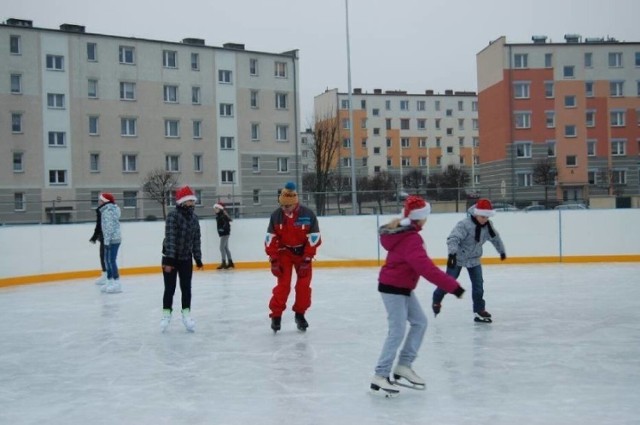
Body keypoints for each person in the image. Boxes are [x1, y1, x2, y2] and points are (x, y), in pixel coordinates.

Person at [371, 195, 465, 397]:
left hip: (401, 287)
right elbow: (426, 269)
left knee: (420, 322)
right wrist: (453, 286)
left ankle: (403, 365)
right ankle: (380, 374)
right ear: (419, 218)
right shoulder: (411, 239)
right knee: (397, 330)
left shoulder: (407, 234)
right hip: (393, 287)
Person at [432, 198, 507, 323]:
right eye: (482, 216)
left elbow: (496, 238)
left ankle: (479, 310)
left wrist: (501, 251)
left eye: (486, 217)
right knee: (449, 282)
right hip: (457, 258)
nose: (484, 219)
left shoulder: (488, 226)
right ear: (476, 213)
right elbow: (453, 238)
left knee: (478, 286)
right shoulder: (464, 224)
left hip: (474, 259)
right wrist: (452, 255)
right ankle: (437, 297)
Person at [265, 182, 321, 333]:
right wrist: (274, 259)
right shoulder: (276, 216)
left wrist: (308, 258)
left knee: (303, 286)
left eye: (287, 206)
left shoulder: (308, 215)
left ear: (295, 203)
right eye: (282, 206)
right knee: (283, 286)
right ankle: (276, 316)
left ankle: (300, 314)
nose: (284, 209)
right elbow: (271, 239)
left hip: (303, 254)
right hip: (285, 253)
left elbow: (314, 238)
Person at [160, 185, 203, 333]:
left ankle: (186, 315)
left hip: (185, 258)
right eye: (190, 200)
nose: (193, 202)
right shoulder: (173, 216)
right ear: (183, 202)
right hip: (170, 258)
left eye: (193, 200)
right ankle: (166, 314)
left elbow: (196, 239)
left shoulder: (194, 219)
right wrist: (170, 259)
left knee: (186, 288)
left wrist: (198, 258)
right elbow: (171, 237)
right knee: (169, 289)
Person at [98, 193, 122, 294]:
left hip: (113, 239)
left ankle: (117, 283)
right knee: (107, 260)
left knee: (111, 260)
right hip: (111, 239)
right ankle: (110, 281)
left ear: (105, 201)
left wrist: (106, 242)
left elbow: (109, 227)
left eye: (100, 200)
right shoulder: (108, 209)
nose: (99, 202)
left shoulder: (108, 211)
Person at [89, 198, 109, 285]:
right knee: (102, 256)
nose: (98, 202)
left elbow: (104, 224)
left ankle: (108, 276)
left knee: (106, 257)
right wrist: (96, 236)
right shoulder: (101, 211)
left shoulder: (106, 211)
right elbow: (99, 225)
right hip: (103, 237)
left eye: (100, 200)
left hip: (107, 237)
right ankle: (105, 274)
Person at [214, 203, 234, 270]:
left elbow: (227, 225)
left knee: (221, 248)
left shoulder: (222, 216)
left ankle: (224, 263)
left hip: (225, 234)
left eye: (216, 208)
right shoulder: (219, 216)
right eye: (215, 208)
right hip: (224, 234)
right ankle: (230, 262)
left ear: (220, 209)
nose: (215, 210)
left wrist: (222, 230)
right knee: (225, 248)